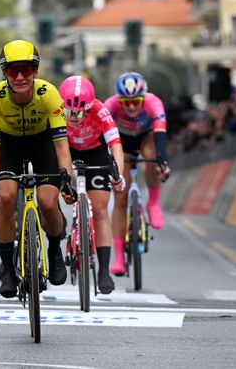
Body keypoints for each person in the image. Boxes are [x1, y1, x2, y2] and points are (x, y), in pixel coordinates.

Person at [0, 40, 73, 298]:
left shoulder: (49, 93)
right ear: (4, 73)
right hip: (9, 145)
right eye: (13, 71)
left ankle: (55, 248)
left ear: (35, 70)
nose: (20, 77)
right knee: (6, 197)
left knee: (47, 201)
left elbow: (61, 144)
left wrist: (66, 178)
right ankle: (9, 269)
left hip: (41, 142)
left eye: (27, 70)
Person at [59, 75, 126, 294]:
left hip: (95, 153)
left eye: (78, 113)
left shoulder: (100, 110)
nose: (73, 117)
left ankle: (104, 271)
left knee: (99, 210)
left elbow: (115, 145)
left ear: (88, 108)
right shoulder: (55, 109)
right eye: (69, 112)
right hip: (66, 149)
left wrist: (118, 174)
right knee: (52, 188)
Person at [104, 71, 170, 276]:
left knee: (152, 156)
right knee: (120, 199)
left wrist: (163, 162)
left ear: (144, 98)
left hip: (145, 138)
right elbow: (102, 133)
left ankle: (153, 202)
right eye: (126, 103)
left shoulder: (154, 103)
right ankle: (119, 258)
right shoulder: (110, 104)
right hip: (121, 141)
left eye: (136, 101)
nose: (132, 106)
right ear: (119, 100)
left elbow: (160, 135)